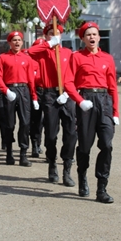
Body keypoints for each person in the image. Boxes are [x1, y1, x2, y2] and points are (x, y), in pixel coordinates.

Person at [64, 22, 119, 204]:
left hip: (104, 102)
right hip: (86, 101)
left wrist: (115, 112)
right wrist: (80, 101)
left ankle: (102, 188)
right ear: (83, 38)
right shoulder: (77, 57)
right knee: (85, 147)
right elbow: (68, 82)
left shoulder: (107, 58)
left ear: (99, 37)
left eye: (94, 34)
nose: (92, 37)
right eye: (88, 35)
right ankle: (82, 176)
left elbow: (112, 87)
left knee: (107, 145)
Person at [29, 24, 77, 186]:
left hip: (66, 94)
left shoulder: (68, 53)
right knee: (50, 134)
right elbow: (30, 52)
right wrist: (49, 43)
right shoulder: (43, 52)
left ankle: (67, 169)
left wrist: (68, 93)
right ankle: (52, 163)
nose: (54, 36)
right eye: (50, 34)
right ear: (46, 36)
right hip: (49, 95)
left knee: (71, 132)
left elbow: (75, 75)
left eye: (57, 34)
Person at [0, 31, 38, 167]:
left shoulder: (27, 58)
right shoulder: (3, 58)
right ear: (9, 42)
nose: (17, 42)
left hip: (24, 90)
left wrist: (34, 97)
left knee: (25, 123)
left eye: (19, 40)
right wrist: (6, 91)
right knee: (9, 124)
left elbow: (31, 79)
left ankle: (23, 154)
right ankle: (9, 152)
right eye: (14, 40)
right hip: (10, 90)